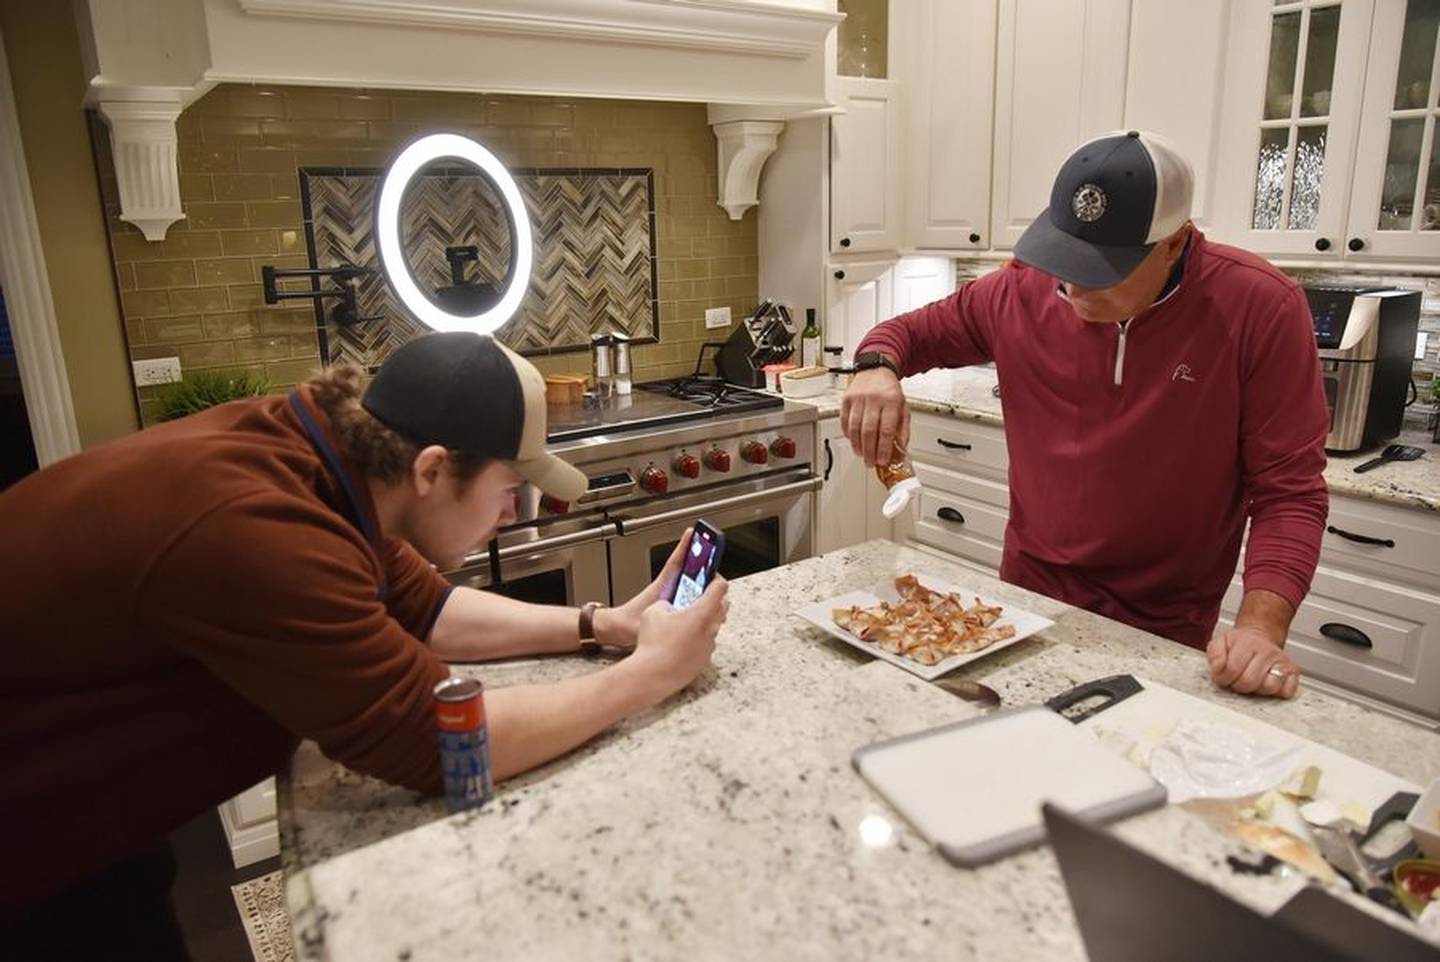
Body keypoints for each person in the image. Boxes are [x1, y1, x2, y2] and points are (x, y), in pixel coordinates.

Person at [0, 333, 728, 960]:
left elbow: (427, 607)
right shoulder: (259, 526)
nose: (516, 514)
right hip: (32, 844)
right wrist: (651, 674)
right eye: (510, 489)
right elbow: (436, 742)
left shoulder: (325, 459)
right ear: (432, 470)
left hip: (96, 821)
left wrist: (599, 626)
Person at [841, 130, 1328, 702]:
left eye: (1103, 268)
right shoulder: (1021, 290)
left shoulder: (1260, 307)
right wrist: (874, 367)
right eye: (1063, 256)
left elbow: (1289, 494)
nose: (1071, 284)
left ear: (1176, 243)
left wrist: (1259, 629)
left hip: (1166, 618)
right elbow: (906, 335)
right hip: (1029, 596)